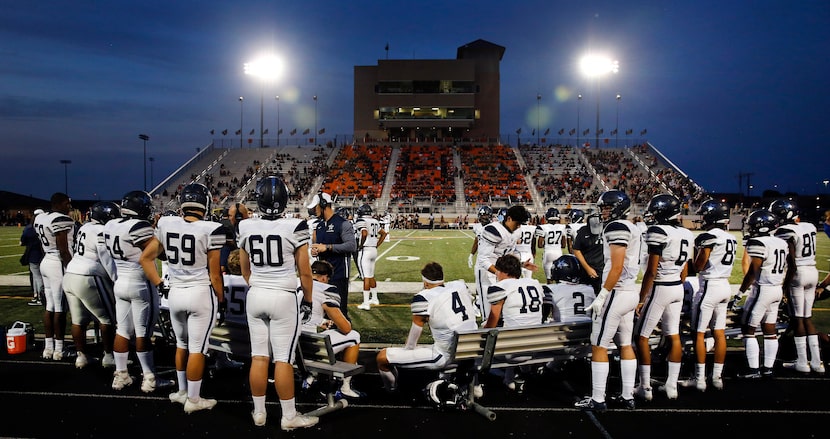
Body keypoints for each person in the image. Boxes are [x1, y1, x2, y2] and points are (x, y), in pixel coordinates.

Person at [237, 176, 318, 431]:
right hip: (283, 296)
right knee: (283, 359)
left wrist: (258, 284)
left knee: (259, 357)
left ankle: (259, 413)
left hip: (256, 294)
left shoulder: (246, 226)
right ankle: (288, 416)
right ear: (284, 200)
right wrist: (308, 299)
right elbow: (305, 272)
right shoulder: (295, 227)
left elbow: (244, 268)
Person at [140, 183, 226, 413]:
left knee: (181, 345)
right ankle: (194, 400)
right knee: (198, 349)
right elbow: (215, 275)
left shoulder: (167, 223)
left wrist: (159, 283)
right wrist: (222, 299)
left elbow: (145, 259)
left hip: (175, 292)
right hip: (200, 293)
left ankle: (181, 391)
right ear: (205, 203)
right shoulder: (212, 228)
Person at [575, 190, 641, 412]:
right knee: (625, 344)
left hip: (617, 293)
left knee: (599, 345)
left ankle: (598, 399)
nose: (602, 211)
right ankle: (627, 396)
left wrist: (603, 294)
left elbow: (617, 267)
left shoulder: (616, 227)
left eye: (605, 207)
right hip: (630, 291)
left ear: (617, 207)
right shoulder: (634, 227)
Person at [103, 190, 174, 392]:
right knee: (143, 332)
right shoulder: (139, 226)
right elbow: (157, 254)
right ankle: (150, 378)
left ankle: (121, 374)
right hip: (139, 282)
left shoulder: (111, 224)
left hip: (120, 281)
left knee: (122, 330)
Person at [376, 262, 477, 391]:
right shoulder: (459, 286)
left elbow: (412, 343)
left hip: (445, 356)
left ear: (425, 282)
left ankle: (390, 389)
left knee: (382, 357)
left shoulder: (424, 297)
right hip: (470, 352)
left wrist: (406, 350)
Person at [634, 194, 694, 401]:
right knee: (673, 336)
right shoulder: (687, 232)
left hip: (661, 287)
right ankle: (671, 386)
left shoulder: (658, 232)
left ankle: (645, 387)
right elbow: (685, 269)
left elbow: (651, 271)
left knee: (641, 337)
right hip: (677, 286)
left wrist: (642, 299)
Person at [683, 199, 737, 391]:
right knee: (719, 333)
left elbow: (700, 265)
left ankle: (699, 379)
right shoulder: (731, 237)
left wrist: (690, 262)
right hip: (725, 285)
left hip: (709, 286)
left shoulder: (709, 236)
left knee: (698, 334)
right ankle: (717, 378)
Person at [62, 201, 120, 369]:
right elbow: (105, 258)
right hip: (89, 275)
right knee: (108, 318)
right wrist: (116, 278)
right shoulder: (101, 231)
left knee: (78, 320)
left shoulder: (85, 227)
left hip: (71, 273)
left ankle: (81, 356)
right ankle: (109, 356)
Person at [771, 199, 824, 373]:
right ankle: (817, 362)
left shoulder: (785, 231)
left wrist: (784, 286)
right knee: (807, 318)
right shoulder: (808, 226)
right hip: (813, 271)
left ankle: (802, 362)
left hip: (798, 273)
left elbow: (791, 262)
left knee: (797, 319)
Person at [735, 209, 788, 378]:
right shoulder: (781, 242)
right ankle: (768, 368)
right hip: (777, 289)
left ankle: (753, 370)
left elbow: (752, 272)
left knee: (748, 329)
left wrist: (739, 293)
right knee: (769, 329)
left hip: (763, 290)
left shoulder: (758, 242)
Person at [483, 254, 549, 390]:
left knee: (486, 328)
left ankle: (476, 384)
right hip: (535, 347)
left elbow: (492, 321)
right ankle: (510, 377)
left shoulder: (500, 287)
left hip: (511, 350)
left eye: (498, 270)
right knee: (515, 326)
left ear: (504, 272)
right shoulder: (535, 283)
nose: (497, 274)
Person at [303, 260, 363, 398]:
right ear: (325, 277)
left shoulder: (295, 284)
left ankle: (310, 378)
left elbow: (302, 313)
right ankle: (345, 387)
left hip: (288, 345)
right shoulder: (326, 289)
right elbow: (345, 328)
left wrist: (320, 321)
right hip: (308, 348)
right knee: (353, 336)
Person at [33, 192, 75, 361]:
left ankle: (48, 347)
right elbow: (64, 249)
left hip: (46, 261)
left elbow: (44, 246)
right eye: (67, 203)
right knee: (60, 308)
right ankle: (59, 349)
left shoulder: (40, 218)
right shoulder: (60, 219)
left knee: (49, 306)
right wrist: (70, 267)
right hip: (58, 264)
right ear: (59, 204)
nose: (69, 207)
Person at [474, 205, 535, 320]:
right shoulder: (493, 230)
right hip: (486, 272)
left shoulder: (516, 232)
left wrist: (521, 264)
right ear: (509, 219)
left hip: (501, 272)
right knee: (489, 314)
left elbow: (508, 255)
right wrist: (498, 273)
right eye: (517, 223)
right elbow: (483, 260)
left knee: (503, 312)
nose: (519, 226)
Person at [307, 192, 357, 320]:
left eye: (316, 206)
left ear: (323, 204)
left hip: (339, 274)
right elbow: (320, 245)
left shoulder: (343, 224)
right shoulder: (319, 225)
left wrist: (328, 247)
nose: (314, 209)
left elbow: (352, 246)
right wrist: (316, 251)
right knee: (325, 313)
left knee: (340, 313)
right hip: (322, 277)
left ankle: (345, 338)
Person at [543, 255, 596, 323]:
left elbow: (543, 315)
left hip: (562, 329)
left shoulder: (552, 289)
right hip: (587, 327)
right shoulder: (590, 289)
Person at [354, 204, 387, 310]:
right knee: (371, 275)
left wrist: (360, 245)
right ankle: (375, 298)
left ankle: (366, 303)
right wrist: (377, 244)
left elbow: (364, 233)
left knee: (366, 277)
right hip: (373, 250)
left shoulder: (361, 221)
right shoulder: (375, 221)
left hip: (366, 250)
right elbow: (384, 234)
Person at [469, 205, 493, 318]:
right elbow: (476, 240)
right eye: (482, 215)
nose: (484, 217)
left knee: (491, 283)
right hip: (480, 260)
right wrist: (471, 254)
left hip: (491, 259)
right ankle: (478, 304)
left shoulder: (494, 227)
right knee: (479, 284)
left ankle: (485, 306)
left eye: (486, 215)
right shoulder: (477, 227)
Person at [572, 213, 605, 295]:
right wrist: (588, 268)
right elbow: (576, 250)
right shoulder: (583, 231)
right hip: (585, 270)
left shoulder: (608, 230)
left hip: (603, 269)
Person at [20, 209, 45, 306]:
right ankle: (39, 296)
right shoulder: (44, 226)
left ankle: (37, 296)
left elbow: (22, 242)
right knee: (39, 277)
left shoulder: (29, 228)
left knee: (36, 277)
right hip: (43, 255)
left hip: (32, 255)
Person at [535, 208, 566, 283]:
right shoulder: (563, 227)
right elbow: (564, 245)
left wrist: (547, 245)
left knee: (549, 279)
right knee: (559, 279)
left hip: (548, 252)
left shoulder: (543, 227)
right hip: (558, 252)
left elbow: (539, 245)